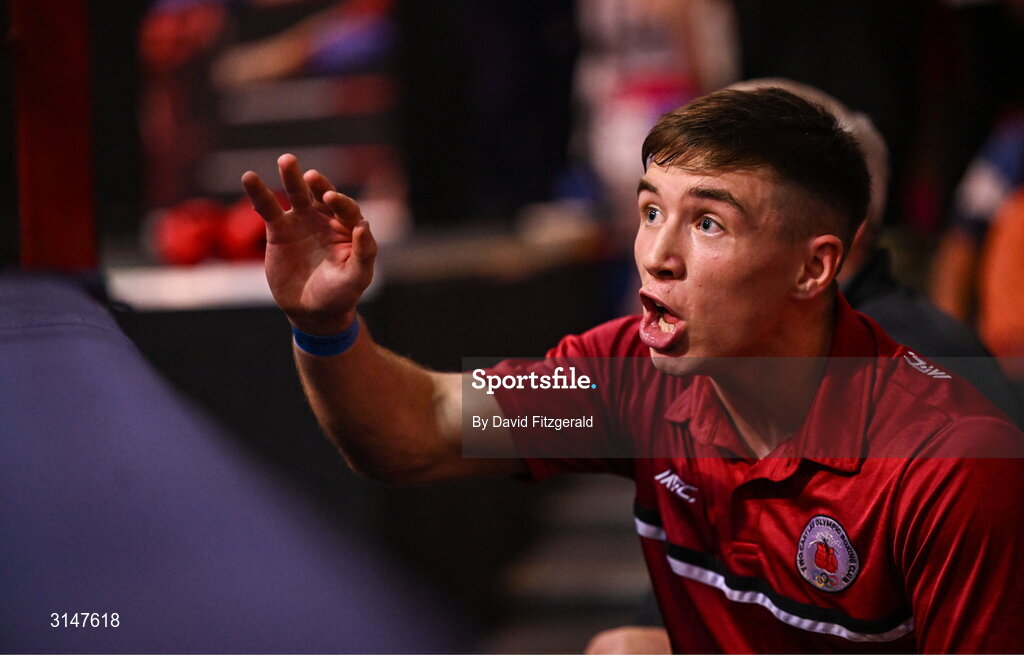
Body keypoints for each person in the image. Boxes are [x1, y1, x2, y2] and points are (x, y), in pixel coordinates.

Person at [242, 87, 1024, 652]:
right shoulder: (631, 370)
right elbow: (419, 430)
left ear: (814, 270)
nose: (656, 254)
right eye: (652, 209)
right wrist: (326, 325)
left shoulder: (948, 461)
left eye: (708, 222)